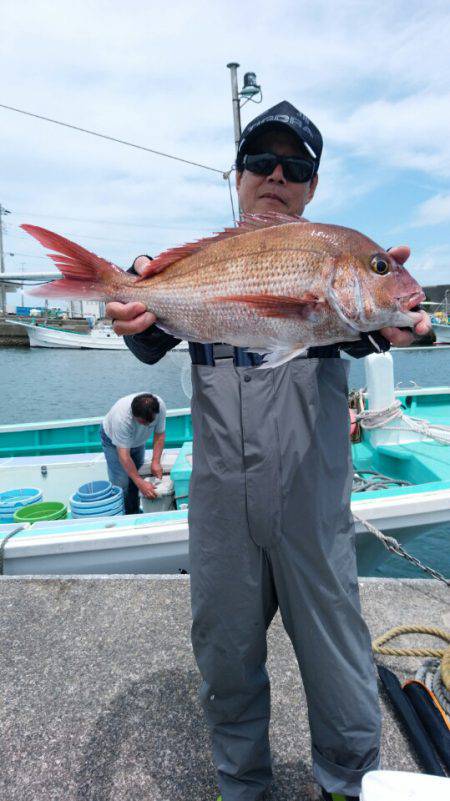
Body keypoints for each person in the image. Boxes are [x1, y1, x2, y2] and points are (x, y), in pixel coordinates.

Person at [106, 101, 431, 801]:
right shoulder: (210, 263)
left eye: (297, 166)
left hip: (310, 514)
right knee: (225, 660)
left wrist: (394, 311)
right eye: (261, 161)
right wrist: (132, 299)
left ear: (312, 187)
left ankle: (347, 783)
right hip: (223, 510)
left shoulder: (330, 279)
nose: (276, 176)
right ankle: (241, 785)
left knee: (342, 665)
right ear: (238, 175)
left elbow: (370, 328)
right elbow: (147, 336)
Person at [101, 392, 166, 514]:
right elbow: (124, 456)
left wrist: (156, 462)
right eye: (143, 422)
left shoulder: (160, 406)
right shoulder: (122, 419)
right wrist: (140, 482)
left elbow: (159, 434)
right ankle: (123, 515)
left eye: (150, 422)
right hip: (113, 442)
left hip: (138, 441)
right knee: (121, 482)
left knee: (137, 476)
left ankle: (134, 511)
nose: (147, 425)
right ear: (133, 414)